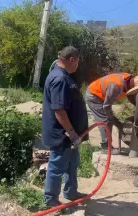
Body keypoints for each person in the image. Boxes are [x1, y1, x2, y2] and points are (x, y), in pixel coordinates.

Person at [41, 46, 89, 207]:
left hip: (71, 134)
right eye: (77, 63)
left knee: (71, 164)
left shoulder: (63, 76)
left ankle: (71, 192)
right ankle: (51, 199)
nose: (77, 66)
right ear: (72, 60)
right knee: (57, 165)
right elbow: (59, 110)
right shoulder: (60, 79)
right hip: (63, 134)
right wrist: (72, 133)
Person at [85, 73, 136, 154]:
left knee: (109, 119)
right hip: (94, 95)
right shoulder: (115, 87)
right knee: (105, 120)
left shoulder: (130, 80)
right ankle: (106, 147)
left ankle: (107, 144)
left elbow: (132, 97)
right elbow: (106, 106)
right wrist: (116, 122)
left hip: (104, 95)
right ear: (128, 87)